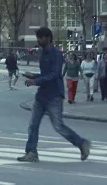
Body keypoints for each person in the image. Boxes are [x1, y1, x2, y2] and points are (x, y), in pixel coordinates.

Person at [19, 27, 91, 163]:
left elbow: (55, 75)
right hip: (42, 95)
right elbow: (46, 74)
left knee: (58, 126)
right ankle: (31, 152)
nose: (38, 40)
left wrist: (36, 81)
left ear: (48, 38)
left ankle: (81, 143)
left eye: (40, 38)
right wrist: (34, 76)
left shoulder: (56, 53)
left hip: (54, 96)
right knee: (33, 125)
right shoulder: (42, 53)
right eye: (37, 38)